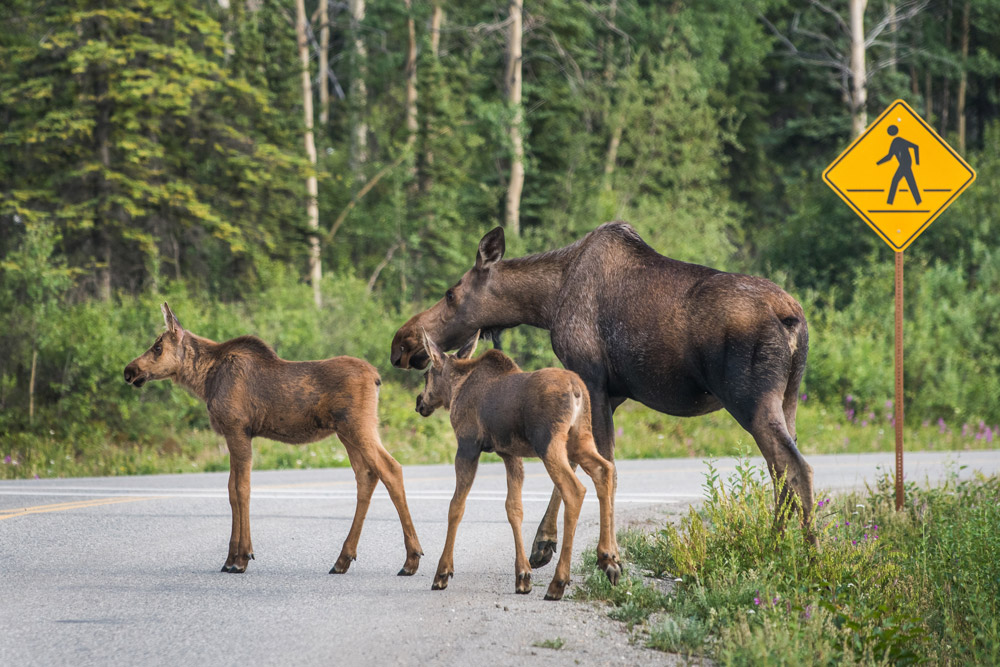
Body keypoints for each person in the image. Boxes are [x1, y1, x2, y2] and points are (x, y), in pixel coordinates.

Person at [876, 124, 921, 205]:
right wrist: (878, 163)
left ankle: (889, 202)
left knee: (896, 181)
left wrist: (917, 162)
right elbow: (889, 156)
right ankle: (918, 201)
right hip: (903, 165)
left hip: (905, 164)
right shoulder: (894, 142)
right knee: (910, 183)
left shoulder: (899, 140)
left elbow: (916, 146)